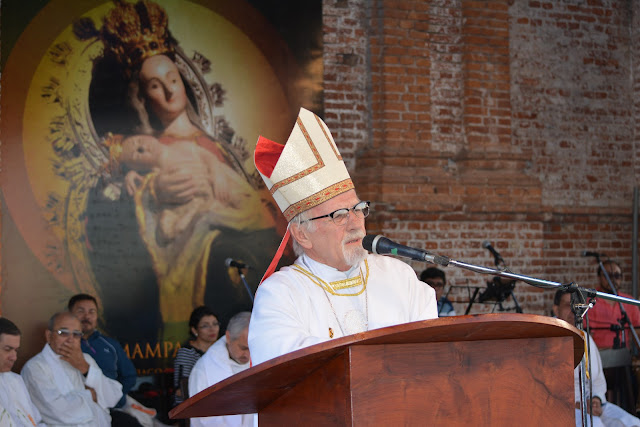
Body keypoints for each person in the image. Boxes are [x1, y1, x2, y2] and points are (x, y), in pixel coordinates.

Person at [74, 0, 281, 342]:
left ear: (184, 81)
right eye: (155, 85)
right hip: (176, 268)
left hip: (225, 251)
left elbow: (246, 208)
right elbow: (108, 221)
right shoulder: (143, 152)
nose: (170, 90)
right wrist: (151, 194)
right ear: (141, 98)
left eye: (173, 79)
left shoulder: (217, 147)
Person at [248, 107, 438, 365]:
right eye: (339, 215)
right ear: (302, 234)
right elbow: (286, 370)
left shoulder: (399, 277)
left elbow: (434, 354)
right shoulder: (281, 294)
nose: (355, 223)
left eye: (358, 209)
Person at [109, 133, 264, 244]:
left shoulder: (180, 145)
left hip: (216, 186)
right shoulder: (155, 175)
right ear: (138, 167)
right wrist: (130, 175)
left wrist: (217, 175)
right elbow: (144, 188)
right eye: (137, 154)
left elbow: (208, 157)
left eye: (139, 141)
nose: (142, 147)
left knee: (242, 205)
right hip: (197, 201)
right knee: (171, 227)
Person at [553, 289, 640, 427]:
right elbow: (550, 387)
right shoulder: (548, 338)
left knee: (633, 423)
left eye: (576, 306)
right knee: (596, 424)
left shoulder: (585, 337)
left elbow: (598, 379)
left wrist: (596, 400)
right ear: (555, 309)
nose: (572, 310)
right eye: (567, 305)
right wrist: (579, 405)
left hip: (592, 404)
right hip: (565, 407)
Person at [21, 312, 123, 426]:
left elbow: (113, 396)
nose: (70, 339)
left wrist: (85, 368)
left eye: (76, 334)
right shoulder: (35, 367)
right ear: (49, 336)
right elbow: (59, 412)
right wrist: (91, 395)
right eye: (63, 333)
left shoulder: (86, 359)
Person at [68, 293, 149, 426]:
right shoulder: (65, 345)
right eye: (80, 311)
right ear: (70, 315)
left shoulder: (110, 345)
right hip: (79, 411)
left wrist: (116, 397)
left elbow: (129, 376)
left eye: (91, 312)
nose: (86, 316)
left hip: (113, 408)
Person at [188, 311, 252, 426]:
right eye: (243, 348)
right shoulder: (204, 369)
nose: (248, 355)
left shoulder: (262, 357)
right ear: (228, 337)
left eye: (252, 348)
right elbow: (203, 417)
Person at [0, 317, 45, 426]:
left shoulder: (15, 380)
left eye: (16, 350)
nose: (14, 357)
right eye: (7, 349)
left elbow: (36, 420)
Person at [587, 260, 640, 350]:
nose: (613, 280)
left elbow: (637, 333)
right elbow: (587, 336)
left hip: (623, 355)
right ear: (599, 277)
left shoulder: (629, 301)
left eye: (617, 276)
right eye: (608, 276)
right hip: (598, 355)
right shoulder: (589, 302)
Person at [173, 306, 220, 407]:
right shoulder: (187, 352)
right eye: (205, 326)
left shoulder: (221, 349)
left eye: (215, 324)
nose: (212, 329)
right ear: (194, 330)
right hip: (192, 406)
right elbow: (181, 391)